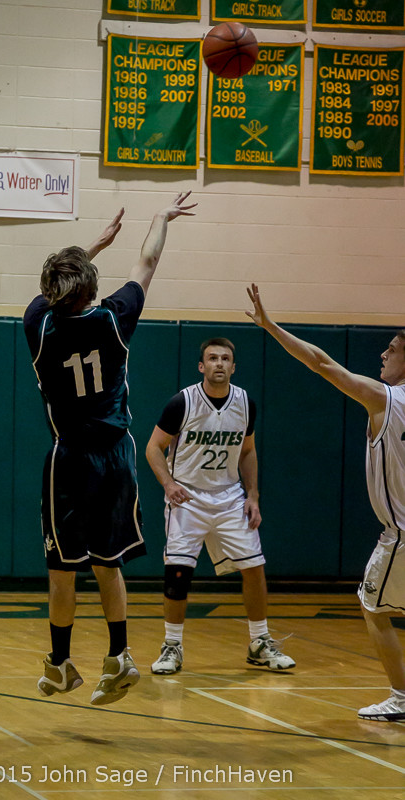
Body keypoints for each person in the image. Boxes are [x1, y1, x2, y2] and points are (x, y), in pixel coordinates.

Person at [23, 192, 196, 706]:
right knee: (107, 562)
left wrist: (91, 246)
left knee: (61, 567)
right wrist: (161, 217)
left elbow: (49, 285)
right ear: (93, 290)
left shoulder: (40, 327)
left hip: (70, 458)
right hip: (117, 455)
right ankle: (119, 656)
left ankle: (59, 664)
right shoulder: (115, 320)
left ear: (55, 292)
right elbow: (147, 260)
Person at [246, 282, 405, 722]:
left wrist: (272, 326)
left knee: (373, 608)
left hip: (402, 536)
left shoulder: (386, 399)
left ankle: (402, 696)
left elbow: (321, 363)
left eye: (391, 350)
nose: (382, 356)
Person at [146, 337, 295, 675]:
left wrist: (253, 496)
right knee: (178, 573)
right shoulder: (181, 402)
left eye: (225, 358)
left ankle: (259, 642)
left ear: (233, 366)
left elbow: (247, 451)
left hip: (230, 497)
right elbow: (154, 448)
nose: (218, 363)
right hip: (188, 497)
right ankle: (172, 645)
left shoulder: (245, 403)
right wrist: (169, 484)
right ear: (201, 366)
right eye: (212, 358)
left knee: (254, 568)